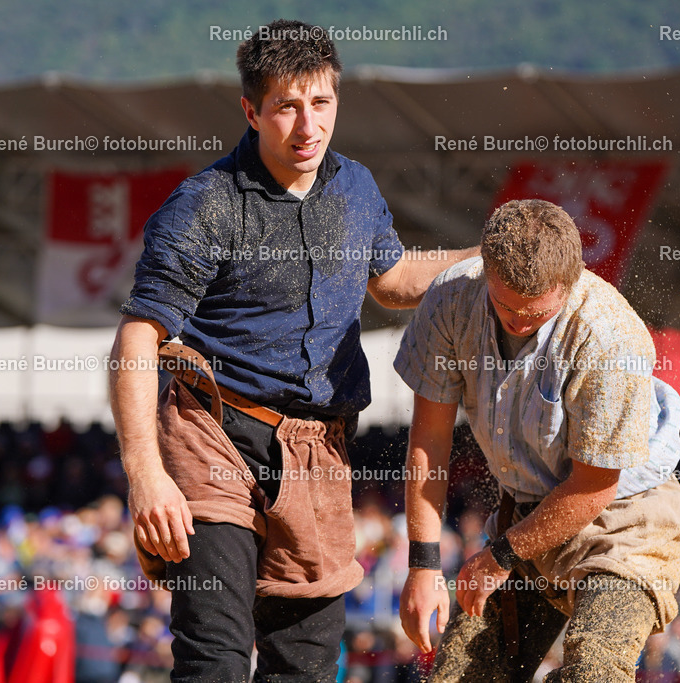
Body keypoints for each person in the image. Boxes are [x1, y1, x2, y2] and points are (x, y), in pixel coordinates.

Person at [109, 18, 477, 681]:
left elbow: (393, 281)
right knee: (214, 656)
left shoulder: (356, 189)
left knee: (304, 666)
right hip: (212, 437)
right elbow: (138, 337)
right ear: (251, 110)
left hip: (319, 450)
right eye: (286, 105)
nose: (308, 125)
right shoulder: (207, 203)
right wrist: (145, 474)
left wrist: (485, 258)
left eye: (322, 102)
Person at [394, 199, 680, 682]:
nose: (518, 322)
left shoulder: (609, 335)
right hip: (531, 509)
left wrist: (500, 557)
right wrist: (423, 564)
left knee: (593, 670)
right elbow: (430, 438)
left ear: (571, 280)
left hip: (627, 517)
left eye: (536, 312)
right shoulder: (451, 298)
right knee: (457, 676)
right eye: (505, 305)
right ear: (483, 271)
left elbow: (595, 486)